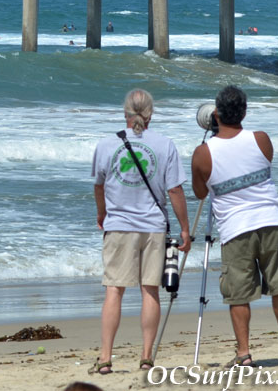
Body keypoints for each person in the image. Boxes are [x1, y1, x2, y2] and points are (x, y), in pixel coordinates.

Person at [191, 86, 278, 368]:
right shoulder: (261, 140)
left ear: (216, 113)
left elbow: (201, 193)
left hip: (235, 227)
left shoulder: (203, 153)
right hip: (270, 220)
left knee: (239, 292)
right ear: (245, 112)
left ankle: (244, 352)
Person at [90, 89, 191, 374]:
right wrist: (184, 228)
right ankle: (146, 356)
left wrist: (102, 213)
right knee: (150, 291)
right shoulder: (164, 144)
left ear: (125, 113)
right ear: (151, 114)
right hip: (153, 226)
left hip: (119, 225)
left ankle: (106, 357)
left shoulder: (107, 144)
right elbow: (174, 190)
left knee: (114, 290)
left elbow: (99, 185)